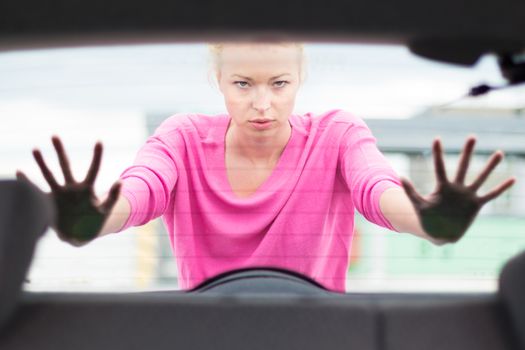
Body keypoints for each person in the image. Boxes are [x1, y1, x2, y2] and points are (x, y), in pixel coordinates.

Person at [16, 42, 516, 293]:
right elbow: (141, 191)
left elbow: (377, 189)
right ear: (217, 79)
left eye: (278, 84)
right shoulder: (182, 139)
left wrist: (428, 221)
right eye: (243, 84)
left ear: (300, 78)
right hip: (208, 336)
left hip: (317, 336)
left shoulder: (337, 134)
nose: (262, 104)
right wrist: (93, 221)